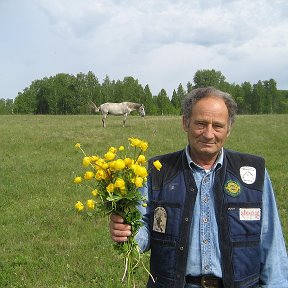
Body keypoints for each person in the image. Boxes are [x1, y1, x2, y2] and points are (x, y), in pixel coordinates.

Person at [109, 87, 288, 288]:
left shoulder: (253, 174)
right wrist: (128, 233)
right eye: (201, 124)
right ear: (185, 123)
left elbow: (271, 245)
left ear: (228, 129)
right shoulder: (157, 171)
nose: (209, 134)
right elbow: (144, 230)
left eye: (218, 126)